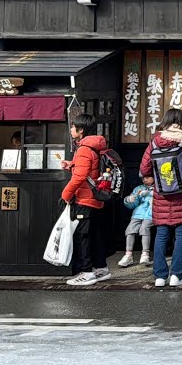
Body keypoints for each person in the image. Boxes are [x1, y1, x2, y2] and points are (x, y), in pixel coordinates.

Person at [141, 108, 182, 288]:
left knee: (161, 234)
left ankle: (159, 277)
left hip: (162, 195)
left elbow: (144, 168)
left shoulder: (155, 142)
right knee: (181, 233)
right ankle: (176, 276)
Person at [62, 114, 114, 286]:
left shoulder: (84, 148)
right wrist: (71, 164)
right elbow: (90, 168)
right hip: (96, 198)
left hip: (85, 199)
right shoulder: (96, 145)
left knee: (82, 236)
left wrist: (66, 195)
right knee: (96, 235)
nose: (71, 130)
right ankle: (101, 269)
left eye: (73, 127)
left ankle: (86, 272)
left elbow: (80, 177)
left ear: (81, 130)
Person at [119, 175, 154, 268]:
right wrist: (129, 200)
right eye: (143, 178)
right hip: (138, 213)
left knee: (144, 228)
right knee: (130, 229)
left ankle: (145, 254)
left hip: (151, 214)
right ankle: (128, 254)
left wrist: (152, 195)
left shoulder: (159, 187)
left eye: (147, 177)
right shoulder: (139, 188)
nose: (145, 180)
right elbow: (133, 204)